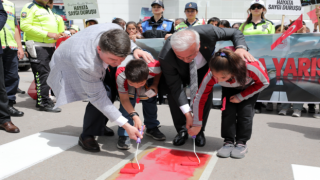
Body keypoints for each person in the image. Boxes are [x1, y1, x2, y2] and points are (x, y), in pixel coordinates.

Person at [47, 23, 154, 152]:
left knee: (112, 90)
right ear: (99, 49)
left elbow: (125, 41)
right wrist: (126, 125)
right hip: (67, 61)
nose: (118, 64)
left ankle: (100, 126)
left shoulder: (115, 29)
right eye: (113, 59)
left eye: (122, 59)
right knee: (104, 94)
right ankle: (87, 135)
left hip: (95, 55)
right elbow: (98, 97)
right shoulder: (87, 64)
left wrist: (136, 49)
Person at [158, 26, 254, 147]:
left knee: (204, 94)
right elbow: (175, 87)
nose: (186, 60)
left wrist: (241, 48)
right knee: (173, 96)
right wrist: (188, 114)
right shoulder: (165, 56)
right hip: (179, 73)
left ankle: (199, 130)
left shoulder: (208, 32)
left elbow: (236, 32)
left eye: (190, 55)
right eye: (181, 57)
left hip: (203, 69)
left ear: (199, 44)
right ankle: (182, 130)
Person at [188, 47, 269, 159]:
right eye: (215, 76)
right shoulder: (213, 74)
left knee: (245, 113)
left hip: (249, 88)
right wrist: (197, 123)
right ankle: (228, 142)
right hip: (228, 88)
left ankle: (241, 143)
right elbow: (199, 97)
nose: (218, 80)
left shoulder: (250, 68)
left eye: (222, 77)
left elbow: (264, 83)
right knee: (227, 112)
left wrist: (241, 96)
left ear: (233, 70)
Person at [115, 54, 165, 150]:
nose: (137, 86)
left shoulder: (154, 67)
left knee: (150, 101)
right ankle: (124, 133)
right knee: (126, 107)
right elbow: (124, 100)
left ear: (148, 75)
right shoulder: (121, 74)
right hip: (128, 79)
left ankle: (152, 127)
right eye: (132, 83)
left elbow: (159, 72)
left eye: (141, 83)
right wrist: (135, 116)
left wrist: (155, 84)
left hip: (146, 78)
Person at [20, 0, 62, 112]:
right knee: (42, 74)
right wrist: (48, 34)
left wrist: (59, 34)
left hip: (49, 46)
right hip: (38, 46)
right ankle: (42, 102)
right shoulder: (30, 7)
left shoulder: (47, 9)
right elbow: (24, 26)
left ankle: (45, 99)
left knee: (48, 75)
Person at [239, 0, 274, 113]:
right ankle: (245, 102)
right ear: (250, 10)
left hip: (263, 57)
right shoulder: (243, 25)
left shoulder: (269, 24)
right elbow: (239, 40)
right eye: (253, 7)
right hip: (247, 57)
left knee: (259, 80)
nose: (256, 8)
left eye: (259, 6)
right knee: (246, 79)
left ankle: (258, 104)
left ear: (263, 9)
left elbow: (272, 41)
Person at [278, 20, 307, 118]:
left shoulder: (308, 38)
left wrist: (302, 35)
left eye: (301, 25)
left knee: (298, 88)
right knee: (286, 88)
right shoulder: (286, 38)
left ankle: (297, 109)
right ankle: (284, 107)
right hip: (288, 66)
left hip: (302, 67)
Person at [0, 0, 24, 117]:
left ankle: (9, 105)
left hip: (11, 46)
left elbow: (15, 27)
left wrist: (19, 46)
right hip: (0, 44)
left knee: (12, 77)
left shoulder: (10, 4)